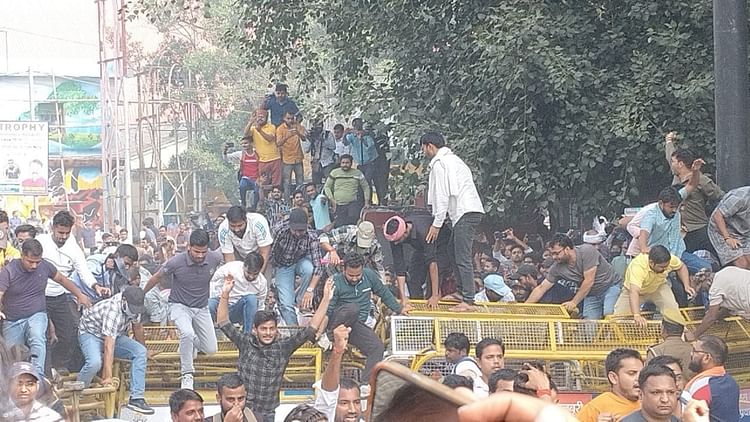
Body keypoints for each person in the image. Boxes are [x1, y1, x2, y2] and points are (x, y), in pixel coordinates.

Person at [217, 274, 333, 422]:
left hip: (267, 413)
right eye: (263, 329)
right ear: (255, 329)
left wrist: (326, 299)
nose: (268, 333)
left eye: (271, 329)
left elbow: (311, 328)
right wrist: (225, 293)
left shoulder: (283, 347)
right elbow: (223, 322)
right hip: (244, 410)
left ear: (276, 329)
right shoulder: (245, 342)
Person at [143, 229, 222, 390]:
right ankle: (187, 374)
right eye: (196, 252)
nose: (200, 256)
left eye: (203, 252)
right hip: (180, 305)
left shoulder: (214, 258)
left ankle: (190, 344)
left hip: (201, 307)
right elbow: (156, 277)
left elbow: (230, 256)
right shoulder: (176, 262)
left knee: (211, 349)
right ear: (189, 247)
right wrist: (141, 294)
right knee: (187, 333)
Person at [0, 239, 92, 376]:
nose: (34, 266)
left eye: (37, 262)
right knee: (12, 355)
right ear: (22, 255)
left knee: (37, 339)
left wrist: (79, 294)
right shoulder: (9, 271)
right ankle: (13, 381)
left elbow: (62, 280)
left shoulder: (45, 266)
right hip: (12, 319)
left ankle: (38, 377)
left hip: (36, 313)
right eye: (30, 261)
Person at [420, 131, 485, 312]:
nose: (424, 152)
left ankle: (469, 300)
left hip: (465, 212)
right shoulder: (454, 160)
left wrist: (437, 224)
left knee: (462, 255)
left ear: (429, 146)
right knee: (452, 250)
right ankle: (462, 291)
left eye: (423, 148)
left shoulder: (441, 163)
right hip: (466, 211)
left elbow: (442, 195)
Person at [38, 210, 110, 372]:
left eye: (67, 233)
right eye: (60, 233)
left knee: (69, 332)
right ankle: (45, 371)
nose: (63, 237)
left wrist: (95, 286)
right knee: (43, 335)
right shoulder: (41, 241)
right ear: (53, 228)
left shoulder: (73, 247)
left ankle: (58, 364)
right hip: (39, 295)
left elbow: (83, 271)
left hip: (61, 295)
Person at [324, 254, 405, 383]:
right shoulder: (335, 281)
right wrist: (322, 331)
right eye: (351, 275)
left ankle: (366, 385)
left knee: (377, 347)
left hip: (355, 325)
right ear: (344, 269)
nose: (354, 278)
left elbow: (383, 292)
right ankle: (329, 336)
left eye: (358, 275)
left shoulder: (369, 275)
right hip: (337, 321)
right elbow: (327, 311)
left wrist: (399, 309)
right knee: (353, 308)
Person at [77, 286, 154, 414]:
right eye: (132, 309)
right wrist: (108, 376)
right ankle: (78, 391)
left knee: (140, 352)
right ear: (124, 300)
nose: (134, 312)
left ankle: (137, 398)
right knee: (94, 363)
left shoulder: (135, 307)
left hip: (116, 335)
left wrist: (145, 351)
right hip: (91, 334)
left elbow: (138, 328)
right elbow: (109, 345)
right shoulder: (113, 310)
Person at [526, 234, 621, 319]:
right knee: (589, 325)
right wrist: (524, 308)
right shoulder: (556, 268)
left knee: (609, 313)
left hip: (610, 286)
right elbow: (541, 288)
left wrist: (573, 302)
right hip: (591, 294)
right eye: (552, 254)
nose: (554, 257)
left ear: (567, 249)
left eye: (556, 253)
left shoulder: (587, 251)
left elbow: (589, 281)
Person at [664, 135, 725, 255]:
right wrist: (668, 141)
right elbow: (670, 156)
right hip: (681, 231)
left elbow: (720, 196)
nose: (671, 164)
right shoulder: (677, 177)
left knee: (718, 255)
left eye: (673, 162)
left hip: (698, 227)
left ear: (680, 164)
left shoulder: (701, 180)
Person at [613, 246, 694, 327]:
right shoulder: (638, 266)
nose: (665, 269)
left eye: (667, 266)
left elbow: (681, 266)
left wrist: (686, 285)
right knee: (618, 319)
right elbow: (634, 292)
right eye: (662, 267)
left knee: (672, 311)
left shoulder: (669, 260)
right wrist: (637, 315)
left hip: (658, 286)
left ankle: (682, 331)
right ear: (651, 263)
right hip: (634, 292)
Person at [269, 208, 325, 326]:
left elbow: (318, 266)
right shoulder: (279, 230)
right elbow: (269, 251)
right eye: (295, 230)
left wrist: (310, 290)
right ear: (289, 225)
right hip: (283, 266)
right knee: (286, 304)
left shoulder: (311, 236)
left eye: (301, 230)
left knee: (309, 269)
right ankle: (294, 330)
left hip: (301, 261)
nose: (298, 233)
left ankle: (301, 301)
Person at [383, 214, 453, 308]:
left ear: (405, 232)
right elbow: (399, 267)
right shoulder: (394, 237)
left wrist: (435, 295)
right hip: (421, 247)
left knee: (431, 285)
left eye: (398, 240)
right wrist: (403, 298)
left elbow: (432, 263)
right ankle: (416, 305)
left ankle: (433, 302)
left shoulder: (423, 232)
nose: (395, 243)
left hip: (442, 245)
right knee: (413, 278)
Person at [682, 335, 740, 422]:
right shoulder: (731, 382)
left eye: (694, 351)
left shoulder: (702, 386)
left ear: (706, 357)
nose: (691, 354)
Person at [577, 348, 643, 422]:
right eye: (632, 373)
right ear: (613, 378)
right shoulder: (594, 409)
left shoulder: (650, 404)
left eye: (642, 373)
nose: (640, 378)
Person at [686, 267, 750, 343]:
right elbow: (728, 308)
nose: (706, 291)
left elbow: (711, 317)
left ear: (707, 282)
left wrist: (694, 335)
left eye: (703, 289)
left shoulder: (715, 288)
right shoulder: (727, 270)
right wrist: (717, 316)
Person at [313, 324, 363, 422]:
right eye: (344, 403)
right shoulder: (325, 417)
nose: (352, 410)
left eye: (357, 402)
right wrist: (338, 352)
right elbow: (328, 391)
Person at [208, 252, 267, 333]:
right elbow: (213, 282)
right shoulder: (231, 268)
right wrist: (219, 295)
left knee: (252, 299)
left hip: (240, 310)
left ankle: (247, 335)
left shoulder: (262, 282)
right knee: (210, 304)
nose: (251, 277)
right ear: (244, 266)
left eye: (255, 274)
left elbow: (260, 305)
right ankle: (210, 334)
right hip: (221, 304)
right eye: (248, 273)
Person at [316, 220, 385, 281]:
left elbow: (378, 267)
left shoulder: (375, 245)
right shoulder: (348, 231)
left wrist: (383, 284)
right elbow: (323, 237)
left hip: (357, 271)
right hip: (335, 265)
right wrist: (332, 251)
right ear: (357, 233)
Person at [708, 185, 750, 269]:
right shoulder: (740, 197)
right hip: (722, 229)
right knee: (743, 265)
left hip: (744, 231)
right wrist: (727, 238)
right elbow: (718, 216)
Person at [324, 154, 370, 227]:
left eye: (347, 163)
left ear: (351, 163)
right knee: (339, 225)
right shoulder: (334, 173)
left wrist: (366, 202)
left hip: (353, 204)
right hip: (338, 205)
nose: (345, 165)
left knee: (352, 224)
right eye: (343, 163)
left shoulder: (358, 173)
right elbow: (327, 187)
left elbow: (366, 187)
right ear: (340, 163)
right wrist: (332, 200)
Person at [244, 109, 281, 195]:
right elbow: (245, 134)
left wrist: (260, 130)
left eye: (262, 117)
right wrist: (250, 122)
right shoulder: (253, 129)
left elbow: (270, 138)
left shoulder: (272, 127)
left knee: (276, 183)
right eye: (258, 117)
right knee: (263, 182)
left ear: (266, 118)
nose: (260, 118)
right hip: (262, 160)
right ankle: (263, 200)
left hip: (275, 158)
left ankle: (276, 199)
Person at [276, 109, 306, 200]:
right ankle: (287, 202)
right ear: (284, 118)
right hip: (287, 160)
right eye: (288, 118)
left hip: (298, 158)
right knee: (287, 183)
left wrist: (298, 133)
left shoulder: (297, 126)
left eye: (292, 118)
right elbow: (278, 143)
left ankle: (301, 200)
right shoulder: (280, 129)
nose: (290, 120)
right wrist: (287, 136)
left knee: (300, 182)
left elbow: (304, 138)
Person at [224, 137, 261, 209]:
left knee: (257, 191)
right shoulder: (241, 154)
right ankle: (243, 204)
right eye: (242, 144)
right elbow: (226, 158)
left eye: (246, 143)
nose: (244, 145)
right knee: (242, 186)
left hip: (256, 178)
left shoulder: (258, 153)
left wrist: (260, 178)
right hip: (246, 178)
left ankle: (254, 207)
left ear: (251, 144)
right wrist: (225, 151)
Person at [344, 118, 378, 189]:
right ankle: (361, 196)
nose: (356, 126)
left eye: (358, 124)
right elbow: (345, 143)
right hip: (359, 164)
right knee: (359, 182)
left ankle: (368, 196)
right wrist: (345, 134)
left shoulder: (367, 134)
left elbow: (370, 147)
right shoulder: (352, 135)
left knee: (367, 181)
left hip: (369, 162)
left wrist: (362, 139)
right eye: (355, 125)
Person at [308, 121, 337, 185]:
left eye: (319, 125)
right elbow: (306, 150)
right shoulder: (312, 134)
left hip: (327, 162)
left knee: (329, 183)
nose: (317, 128)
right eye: (315, 126)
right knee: (316, 183)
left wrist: (322, 140)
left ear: (322, 125)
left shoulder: (328, 134)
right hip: (316, 163)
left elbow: (333, 146)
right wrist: (308, 139)